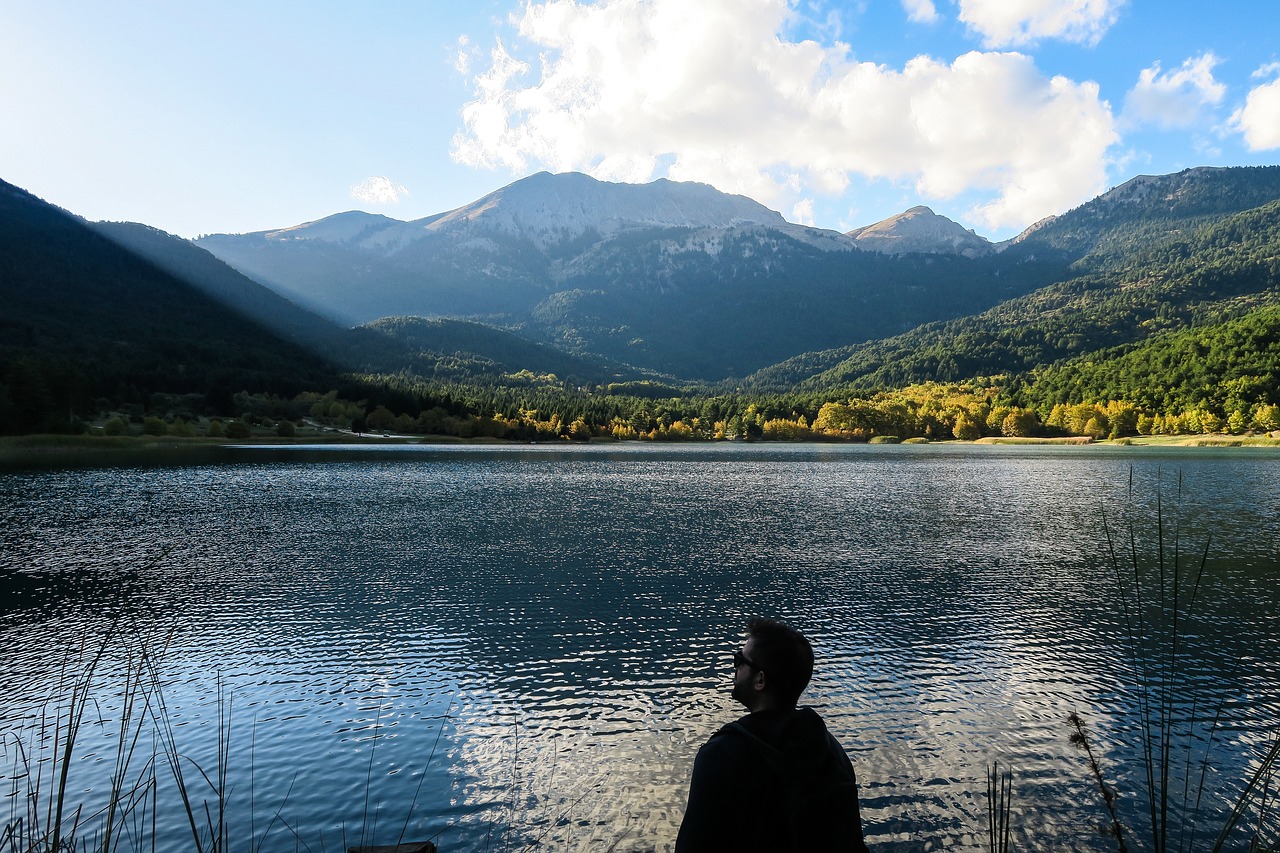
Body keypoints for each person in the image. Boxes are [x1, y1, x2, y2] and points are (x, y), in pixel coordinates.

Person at [674, 617, 870, 852]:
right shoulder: (830, 751)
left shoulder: (719, 756)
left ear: (760, 680)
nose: (735, 667)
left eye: (740, 660)